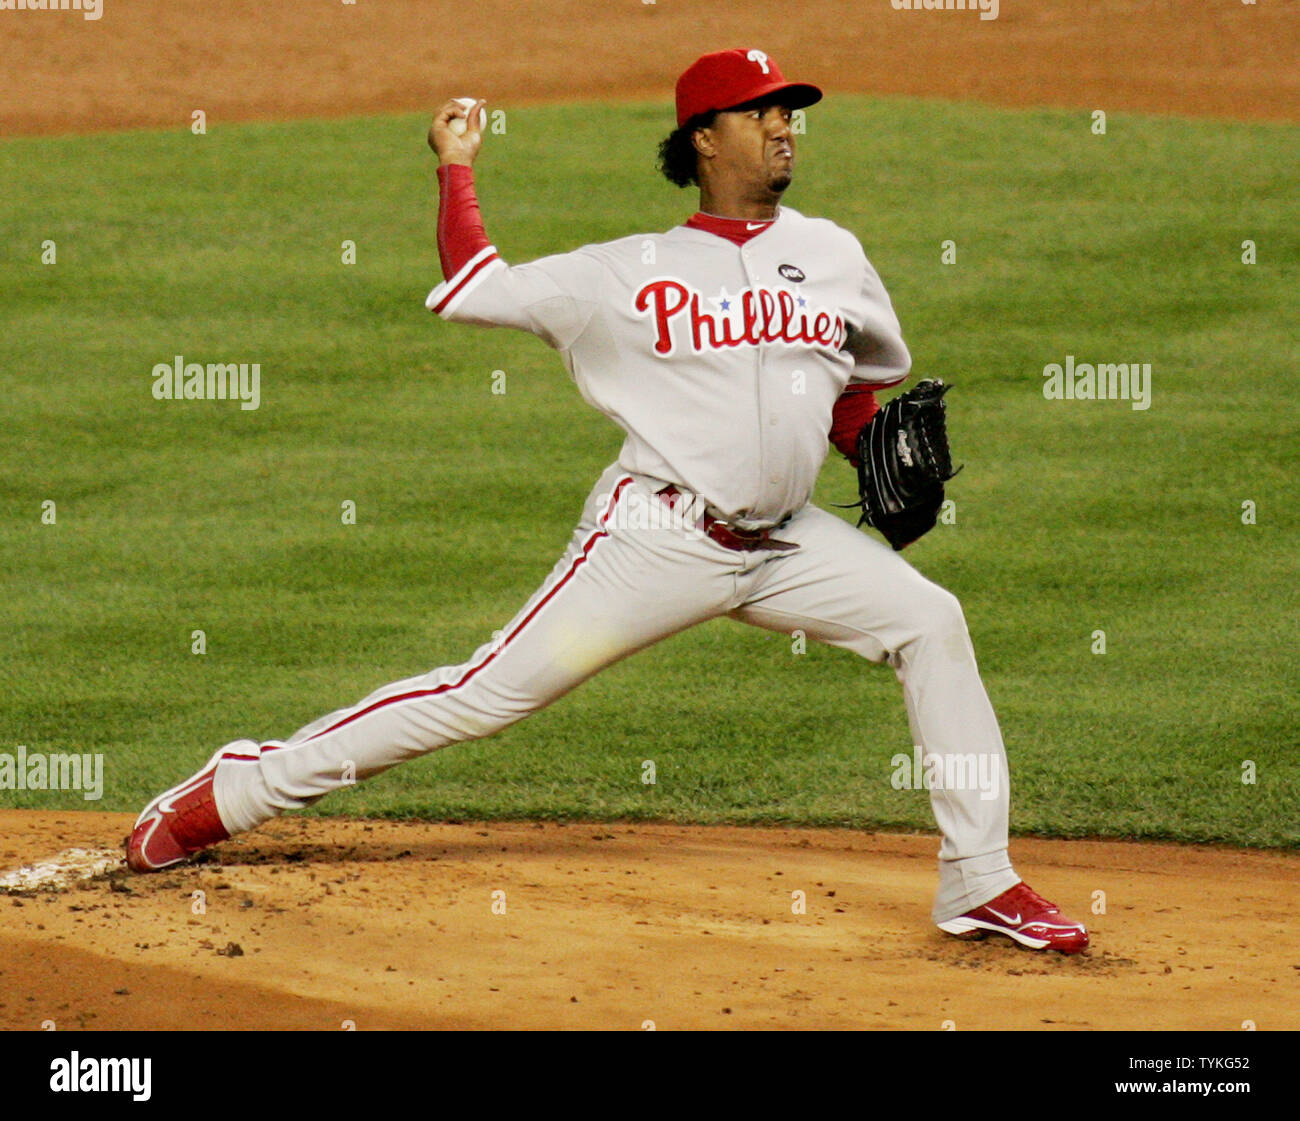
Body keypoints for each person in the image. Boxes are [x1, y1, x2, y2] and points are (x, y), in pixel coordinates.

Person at [126, 48, 1088, 954]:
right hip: (653, 540)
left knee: (932, 622)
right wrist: (455, 166)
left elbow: (847, 382)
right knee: (482, 695)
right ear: (705, 138)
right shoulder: (624, 272)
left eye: (790, 111)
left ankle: (978, 878)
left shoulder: (832, 251)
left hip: (790, 542)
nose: (785, 126)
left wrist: (870, 447)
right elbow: (474, 284)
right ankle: (238, 790)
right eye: (762, 112)